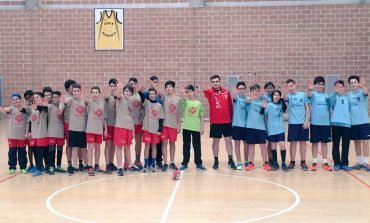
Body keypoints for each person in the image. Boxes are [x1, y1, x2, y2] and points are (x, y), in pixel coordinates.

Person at [203, 75, 236, 170]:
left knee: (228, 141)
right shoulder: (210, 92)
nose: (215, 83)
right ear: (211, 83)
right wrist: (205, 87)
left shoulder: (226, 91)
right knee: (215, 142)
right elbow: (205, 91)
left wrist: (232, 119)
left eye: (217, 81)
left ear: (219, 82)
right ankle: (216, 161)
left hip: (227, 121)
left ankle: (230, 160)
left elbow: (230, 105)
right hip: (215, 122)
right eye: (213, 82)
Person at [151, 80, 182, 171]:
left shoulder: (178, 99)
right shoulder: (164, 97)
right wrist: (152, 84)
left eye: (170, 87)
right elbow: (158, 90)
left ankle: (172, 162)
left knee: (172, 144)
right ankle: (165, 162)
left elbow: (180, 114)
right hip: (164, 125)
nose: (168, 88)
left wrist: (179, 125)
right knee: (164, 143)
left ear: (173, 88)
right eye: (167, 87)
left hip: (173, 126)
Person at [283, 79, 310, 171]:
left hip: (302, 123)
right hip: (293, 123)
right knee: (293, 143)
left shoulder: (303, 95)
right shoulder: (288, 96)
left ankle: (303, 162)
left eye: (291, 86)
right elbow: (284, 97)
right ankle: (292, 162)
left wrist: (307, 121)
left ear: (295, 85)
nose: (290, 88)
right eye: (288, 86)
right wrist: (285, 90)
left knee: (303, 143)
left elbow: (307, 108)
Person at [307, 76, 332, 171]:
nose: (320, 86)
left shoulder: (327, 96)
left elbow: (329, 109)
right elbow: (308, 94)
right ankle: (314, 162)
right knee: (315, 143)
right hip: (315, 123)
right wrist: (309, 88)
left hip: (325, 124)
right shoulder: (312, 95)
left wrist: (330, 121)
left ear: (324, 86)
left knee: (324, 143)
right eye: (318, 84)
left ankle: (325, 162)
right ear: (315, 85)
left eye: (321, 84)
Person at [0, 93, 29, 175]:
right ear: (11, 101)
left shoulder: (24, 109)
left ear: (20, 100)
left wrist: (26, 133)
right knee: (12, 152)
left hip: (21, 135)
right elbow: (6, 109)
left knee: (22, 152)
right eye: (13, 100)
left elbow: (27, 122)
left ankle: (23, 167)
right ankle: (12, 167)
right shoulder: (12, 108)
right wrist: (3, 109)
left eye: (17, 99)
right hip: (12, 135)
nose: (15, 101)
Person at [179, 85, 206, 171]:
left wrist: (202, 127)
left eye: (190, 91)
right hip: (186, 127)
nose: (189, 93)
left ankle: (198, 163)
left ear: (194, 92)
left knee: (197, 146)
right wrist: (182, 92)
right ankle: (185, 163)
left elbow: (201, 116)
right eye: (187, 92)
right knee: (186, 146)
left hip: (196, 128)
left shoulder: (198, 103)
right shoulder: (185, 102)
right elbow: (182, 98)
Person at [64, 83, 88, 176]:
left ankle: (87, 165)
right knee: (74, 148)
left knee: (83, 148)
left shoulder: (84, 100)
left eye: (78, 91)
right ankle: (75, 166)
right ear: (72, 92)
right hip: (73, 129)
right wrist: (64, 102)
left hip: (82, 129)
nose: (76, 92)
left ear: (80, 91)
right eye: (74, 91)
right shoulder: (70, 100)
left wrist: (85, 94)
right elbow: (65, 102)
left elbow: (87, 102)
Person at [245, 84, 270, 171]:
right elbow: (247, 101)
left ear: (259, 92)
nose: (255, 92)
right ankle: (251, 163)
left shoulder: (263, 101)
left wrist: (264, 107)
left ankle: (265, 163)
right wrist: (250, 98)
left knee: (263, 146)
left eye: (256, 91)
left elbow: (264, 113)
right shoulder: (249, 100)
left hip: (261, 127)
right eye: (253, 91)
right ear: (250, 92)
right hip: (250, 127)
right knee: (251, 146)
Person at [260, 90, 288, 171]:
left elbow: (285, 109)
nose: (277, 96)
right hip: (271, 130)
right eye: (275, 95)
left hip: (280, 129)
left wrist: (282, 99)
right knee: (273, 146)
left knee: (282, 145)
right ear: (272, 96)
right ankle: (275, 163)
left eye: (278, 95)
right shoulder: (269, 105)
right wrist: (263, 107)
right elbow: (262, 113)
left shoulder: (280, 105)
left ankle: (283, 163)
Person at [113, 84, 137, 176]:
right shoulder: (121, 99)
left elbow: (131, 118)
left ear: (131, 93)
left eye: (129, 91)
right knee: (119, 147)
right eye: (126, 91)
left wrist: (133, 131)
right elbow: (117, 94)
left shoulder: (131, 102)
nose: (127, 92)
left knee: (127, 147)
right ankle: (119, 167)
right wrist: (118, 87)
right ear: (123, 92)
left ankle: (129, 165)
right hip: (120, 127)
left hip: (128, 128)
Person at [347, 75, 369, 171]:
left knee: (365, 142)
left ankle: (366, 163)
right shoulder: (348, 95)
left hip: (363, 122)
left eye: (355, 82)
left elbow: (366, 92)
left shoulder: (362, 93)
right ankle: (359, 163)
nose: (353, 84)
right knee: (356, 142)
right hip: (353, 123)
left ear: (358, 83)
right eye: (351, 83)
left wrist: (364, 85)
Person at [141, 87, 164, 172]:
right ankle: (146, 164)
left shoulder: (159, 105)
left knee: (154, 146)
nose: (151, 95)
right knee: (147, 146)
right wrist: (140, 91)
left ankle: (153, 164)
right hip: (147, 128)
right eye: (150, 94)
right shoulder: (146, 103)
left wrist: (160, 130)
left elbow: (161, 119)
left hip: (155, 130)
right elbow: (142, 97)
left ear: (156, 95)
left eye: (153, 94)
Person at [330, 80, 351, 171]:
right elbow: (331, 103)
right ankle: (337, 163)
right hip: (336, 124)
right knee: (335, 145)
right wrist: (335, 92)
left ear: (344, 88)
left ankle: (345, 163)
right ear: (335, 88)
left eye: (341, 87)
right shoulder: (333, 97)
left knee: (345, 145)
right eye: (337, 87)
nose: (340, 88)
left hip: (346, 125)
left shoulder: (348, 98)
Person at [85, 86, 106, 176]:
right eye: (93, 93)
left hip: (99, 129)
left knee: (98, 148)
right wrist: (83, 92)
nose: (95, 94)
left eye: (96, 93)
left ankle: (96, 165)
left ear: (99, 94)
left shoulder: (102, 103)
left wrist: (105, 129)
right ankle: (90, 166)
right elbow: (85, 100)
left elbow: (104, 117)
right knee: (90, 148)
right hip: (90, 129)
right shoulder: (89, 102)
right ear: (91, 94)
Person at [28, 92, 49, 177]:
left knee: (40, 151)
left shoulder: (45, 107)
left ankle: (39, 169)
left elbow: (43, 109)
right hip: (34, 133)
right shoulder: (32, 108)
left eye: (38, 97)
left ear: (42, 98)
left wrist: (40, 107)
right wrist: (29, 131)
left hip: (41, 133)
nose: (36, 99)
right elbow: (30, 121)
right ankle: (38, 166)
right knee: (35, 151)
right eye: (35, 98)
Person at [47, 91, 66, 174]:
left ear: (60, 98)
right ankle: (51, 166)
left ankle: (58, 165)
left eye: (57, 97)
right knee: (51, 150)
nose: (55, 98)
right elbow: (44, 109)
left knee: (59, 150)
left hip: (60, 132)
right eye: (53, 97)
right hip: (51, 132)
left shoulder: (63, 106)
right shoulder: (50, 106)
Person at [231, 81, 248, 170]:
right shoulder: (236, 98)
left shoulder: (247, 99)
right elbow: (233, 97)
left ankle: (246, 161)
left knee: (246, 145)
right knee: (237, 144)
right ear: (237, 89)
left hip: (245, 125)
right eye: (239, 88)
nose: (241, 90)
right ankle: (239, 162)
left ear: (245, 89)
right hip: (237, 125)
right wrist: (234, 92)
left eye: (243, 88)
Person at [128, 77, 144, 170]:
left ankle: (137, 160)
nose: (132, 85)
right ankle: (127, 161)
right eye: (131, 83)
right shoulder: (126, 95)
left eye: (134, 83)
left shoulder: (140, 96)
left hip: (138, 123)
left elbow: (144, 108)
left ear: (137, 85)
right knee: (127, 143)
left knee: (138, 142)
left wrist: (141, 118)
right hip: (128, 124)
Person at [104, 78, 118, 174]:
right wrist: (109, 91)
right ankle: (107, 164)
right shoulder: (107, 97)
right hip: (108, 124)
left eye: (114, 86)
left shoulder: (118, 97)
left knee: (113, 144)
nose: (113, 88)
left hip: (116, 124)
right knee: (108, 144)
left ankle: (112, 162)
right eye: (111, 86)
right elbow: (105, 96)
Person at [263, 82, 275, 165]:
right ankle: (269, 158)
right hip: (266, 122)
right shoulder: (264, 97)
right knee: (268, 142)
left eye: (271, 88)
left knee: (273, 142)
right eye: (267, 88)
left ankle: (273, 158)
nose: (269, 89)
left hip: (275, 123)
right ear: (265, 89)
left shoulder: (276, 97)